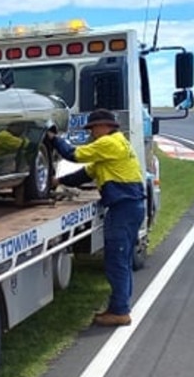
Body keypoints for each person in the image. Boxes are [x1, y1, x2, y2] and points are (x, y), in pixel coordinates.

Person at [45, 109, 145, 327]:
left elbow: (73, 155)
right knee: (122, 261)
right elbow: (85, 174)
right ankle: (120, 307)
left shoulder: (109, 143)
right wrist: (58, 181)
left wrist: (53, 138)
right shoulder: (113, 147)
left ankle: (119, 311)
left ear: (104, 127)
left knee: (116, 261)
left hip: (123, 208)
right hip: (129, 207)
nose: (91, 133)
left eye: (93, 128)